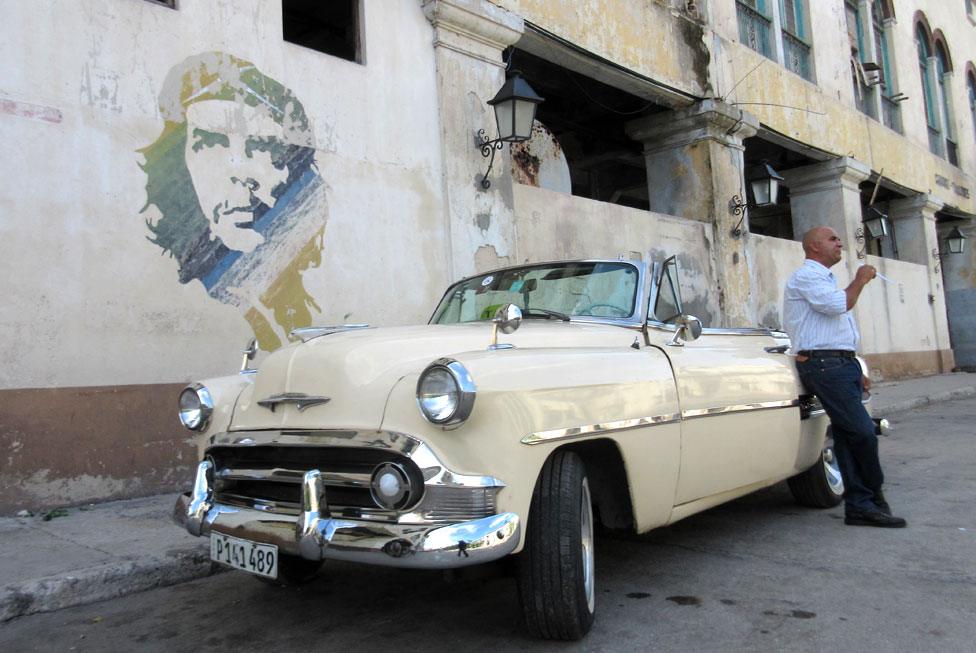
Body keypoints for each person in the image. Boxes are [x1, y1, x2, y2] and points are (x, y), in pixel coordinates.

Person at [139, 51, 328, 351]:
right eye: (211, 143)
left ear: (289, 170)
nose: (239, 171)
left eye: (261, 145)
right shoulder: (200, 295)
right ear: (183, 164)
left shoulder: (304, 308)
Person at [783, 226, 906, 528]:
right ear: (813, 246)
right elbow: (839, 305)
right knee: (862, 432)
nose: (840, 243)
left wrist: (857, 368)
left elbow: (840, 329)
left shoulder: (826, 279)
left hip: (841, 364)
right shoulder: (806, 277)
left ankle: (861, 505)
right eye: (833, 239)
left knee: (849, 435)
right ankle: (871, 495)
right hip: (824, 365)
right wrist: (861, 278)